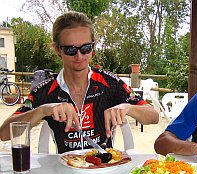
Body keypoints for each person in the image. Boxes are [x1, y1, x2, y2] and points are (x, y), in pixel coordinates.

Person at [0, 11, 159, 153]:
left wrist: (128, 107)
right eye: (70, 49)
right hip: (65, 170)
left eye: (86, 48)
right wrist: (42, 111)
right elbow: (5, 133)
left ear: (93, 47)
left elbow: (153, 116)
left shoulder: (110, 83)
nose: (79, 56)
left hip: (103, 167)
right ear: (58, 50)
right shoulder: (45, 90)